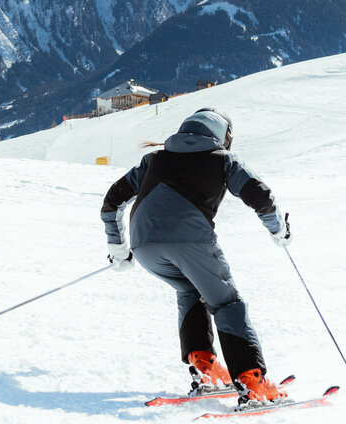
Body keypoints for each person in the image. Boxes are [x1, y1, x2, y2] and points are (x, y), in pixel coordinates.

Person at [100, 108, 291, 405]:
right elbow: (261, 197)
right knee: (227, 303)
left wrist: (119, 250)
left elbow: (112, 202)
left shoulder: (154, 159)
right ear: (222, 137)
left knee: (190, 289)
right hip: (191, 241)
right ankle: (253, 383)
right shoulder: (223, 159)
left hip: (144, 246)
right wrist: (279, 231)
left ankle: (206, 369)